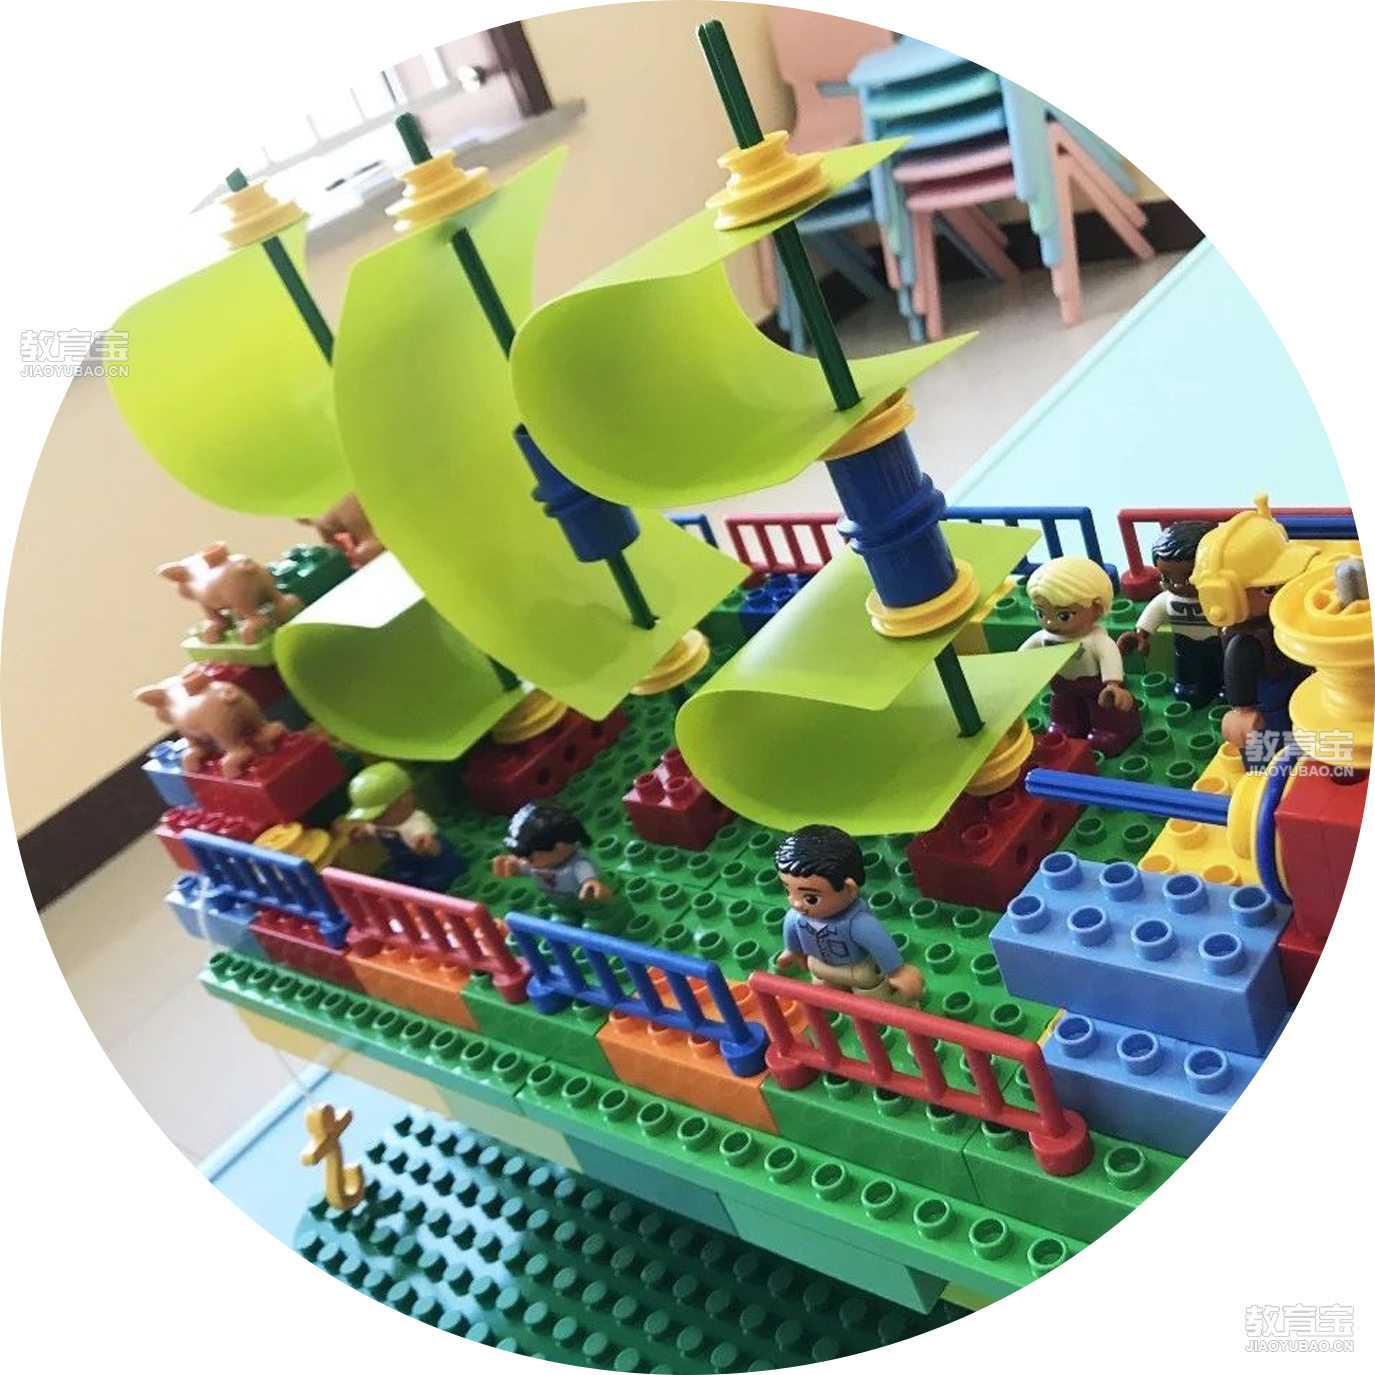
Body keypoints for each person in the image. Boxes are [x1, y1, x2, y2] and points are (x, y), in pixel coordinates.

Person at [1191, 494, 1320, 768]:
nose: (1285, 590)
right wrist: (1243, 709)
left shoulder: (1280, 614)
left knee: (1300, 733)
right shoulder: (1244, 641)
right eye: (1270, 589)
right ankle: (1264, 777)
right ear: (1225, 598)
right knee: (1269, 748)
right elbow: (1237, 671)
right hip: (1268, 702)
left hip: (1295, 685)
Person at [773, 824, 925, 1003]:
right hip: (820, 968)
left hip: (858, 972)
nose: (796, 903)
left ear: (849, 889)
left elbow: (879, 942)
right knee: (826, 1001)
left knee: (874, 1004)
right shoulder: (797, 916)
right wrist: (792, 950)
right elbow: (791, 929)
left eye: (811, 898)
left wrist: (897, 971)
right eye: (788, 891)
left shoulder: (857, 923)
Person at [1018, 556, 1141, 757]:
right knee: (1063, 710)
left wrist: (1112, 685)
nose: (1049, 623)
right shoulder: (1043, 637)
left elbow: (1109, 657)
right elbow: (1021, 657)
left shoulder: (1096, 641)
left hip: (1094, 686)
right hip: (1061, 684)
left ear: (1096, 608)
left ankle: (1108, 731)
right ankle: (1066, 726)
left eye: (1063, 615)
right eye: (1041, 613)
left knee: (1103, 711)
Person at [1116, 521, 1223, 707]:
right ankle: (1189, 685)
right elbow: (1154, 613)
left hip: (1218, 642)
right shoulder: (1168, 599)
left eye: (1188, 577)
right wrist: (1140, 635)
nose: (1177, 584)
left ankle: (1226, 686)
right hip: (1185, 643)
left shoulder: (1220, 597)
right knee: (1187, 670)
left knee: (1224, 666)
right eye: (1167, 577)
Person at [491, 803, 621, 925]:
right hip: (560, 904)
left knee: (599, 918)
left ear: (559, 846)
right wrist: (513, 867)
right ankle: (567, 918)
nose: (524, 861)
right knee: (560, 923)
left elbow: (588, 879)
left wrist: (592, 885)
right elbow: (523, 867)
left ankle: (606, 918)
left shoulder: (578, 865)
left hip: (589, 903)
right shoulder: (536, 865)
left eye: (529, 858)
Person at [346, 761, 465, 891]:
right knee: (403, 880)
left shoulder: (416, 821)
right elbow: (369, 830)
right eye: (371, 816)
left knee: (436, 880)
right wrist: (361, 833)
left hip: (435, 862)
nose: (374, 820)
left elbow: (432, 844)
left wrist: (429, 844)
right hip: (406, 864)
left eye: (380, 814)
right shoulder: (379, 823)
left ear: (405, 799)